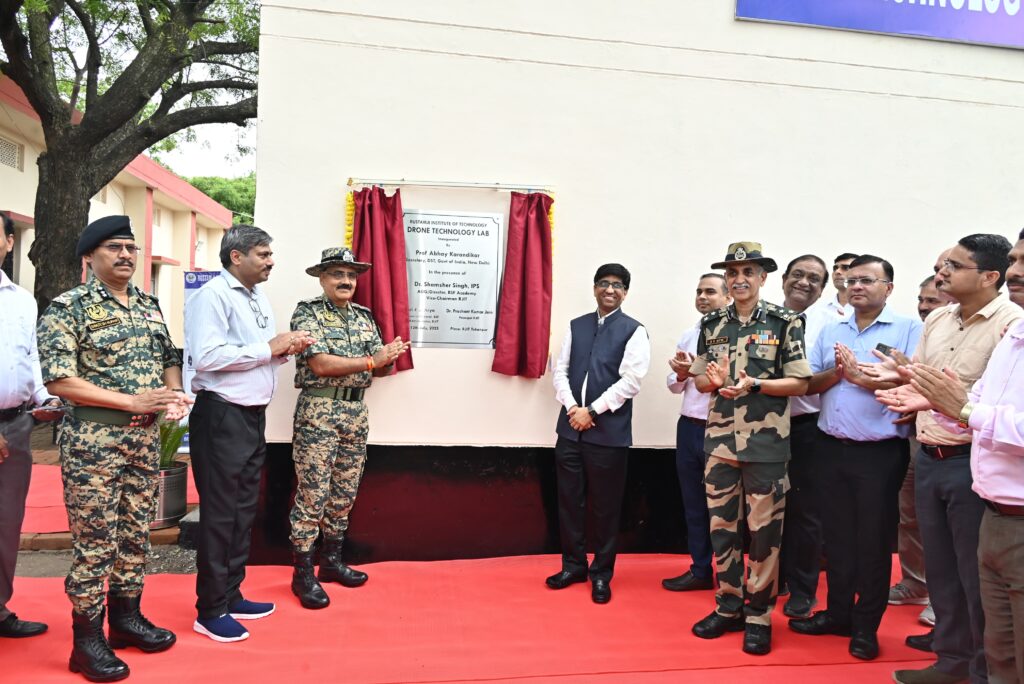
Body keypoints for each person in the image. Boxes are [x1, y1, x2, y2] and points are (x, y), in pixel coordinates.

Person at [37, 215, 190, 681]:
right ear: (89, 257)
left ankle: (126, 619)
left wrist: (174, 394)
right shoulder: (69, 307)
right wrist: (130, 400)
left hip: (143, 438)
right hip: (94, 442)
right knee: (95, 540)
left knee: (135, 534)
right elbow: (60, 379)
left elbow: (168, 356)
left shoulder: (147, 304)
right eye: (113, 247)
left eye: (130, 247)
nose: (125, 255)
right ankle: (86, 641)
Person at [869, 234, 1021, 684]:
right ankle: (951, 662)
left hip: (973, 461)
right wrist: (898, 383)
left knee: (978, 580)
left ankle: (980, 669)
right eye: (943, 264)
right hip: (928, 456)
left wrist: (938, 400)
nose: (942, 274)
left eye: (954, 266)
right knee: (940, 569)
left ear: (989, 276)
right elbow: (924, 380)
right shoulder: (938, 319)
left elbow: (978, 400)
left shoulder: (1010, 324)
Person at [788, 255, 922, 661]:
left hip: (879, 453)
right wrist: (838, 375)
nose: (856, 286)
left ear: (889, 288)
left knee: (873, 543)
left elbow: (913, 379)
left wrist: (862, 377)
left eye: (867, 280)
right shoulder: (831, 328)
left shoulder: (909, 329)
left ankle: (866, 626)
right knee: (838, 539)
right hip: (829, 446)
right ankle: (837, 614)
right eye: (850, 280)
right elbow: (810, 381)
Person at [185, 225, 314, 643]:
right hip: (221, 416)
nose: (271, 260)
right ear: (235, 256)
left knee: (242, 512)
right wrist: (269, 348)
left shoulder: (257, 297)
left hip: (250, 416)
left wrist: (282, 352)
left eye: (270, 253)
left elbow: (254, 356)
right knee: (221, 515)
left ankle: (231, 594)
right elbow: (206, 358)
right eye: (262, 253)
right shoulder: (212, 296)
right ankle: (210, 610)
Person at [688, 242, 811, 656]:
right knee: (722, 530)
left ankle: (758, 615)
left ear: (762, 278)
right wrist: (713, 377)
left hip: (766, 446)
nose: (739, 279)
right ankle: (728, 606)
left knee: (763, 535)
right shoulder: (713, 323)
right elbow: (704, 382)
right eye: (732, 273)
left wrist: (755, 384)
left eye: (748, 272)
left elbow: (799, 382)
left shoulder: (785, 321)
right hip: (720, 442)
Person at [288, 248, 409, 609]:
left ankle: (332, 562)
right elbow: (321, 364)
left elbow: (378, 368)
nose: (345, 281)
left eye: (351, 275)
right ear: (322, 279)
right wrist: (374, 360)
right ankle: (303, 574)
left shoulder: (363, 316)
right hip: (319, 411)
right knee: (313, 494)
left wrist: (388, 359)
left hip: (356, 411)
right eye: (337, 274)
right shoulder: (308, 312)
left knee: (344, 491)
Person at [548, 263, 650, 605]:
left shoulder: (634, 330)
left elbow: (631, 381)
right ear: (594, 288)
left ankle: (601, 574)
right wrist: (573, 408)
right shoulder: (576, 326)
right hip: (570, 432)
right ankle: (573, 566)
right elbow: (559, 370)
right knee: (569, 502)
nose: (610, 290)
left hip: (608, 435)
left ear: (625, 292)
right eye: (604, 283)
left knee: (606, 508)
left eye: (618, 285)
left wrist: (591, 411)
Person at [0, 214, 62, 641]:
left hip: (15, 426)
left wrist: (46, 398)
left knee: (6, 523)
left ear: (8, 242)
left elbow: (30, 358)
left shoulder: (21, 299)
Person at [662, 273, 730, 593]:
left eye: (711, 292)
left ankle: (731, 576)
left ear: (728, 297)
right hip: (688, 427)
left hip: (722, 428)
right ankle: (701, 569)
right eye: (699, 291)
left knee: (727, 507)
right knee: (693, 502)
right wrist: (678, 374)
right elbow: (675, 385)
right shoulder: (690, 334)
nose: (703, 297)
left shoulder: (735, 334)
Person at [777, 254, 831, 619]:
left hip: (806, 429)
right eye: (798, 275)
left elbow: (828, 377)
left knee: (805, 513)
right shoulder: (763, 318)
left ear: (823, 287)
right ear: (784, 279)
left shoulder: (831, 326)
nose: (804, 282)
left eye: (814, 278)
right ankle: (769, 579)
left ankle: (802, 589)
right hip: (763, 426)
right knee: (765, 509)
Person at [823, 253, 858, 317]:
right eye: (835, 268)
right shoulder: (820, 308)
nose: (837, 271)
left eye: (846, 268)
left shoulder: (871, 308)